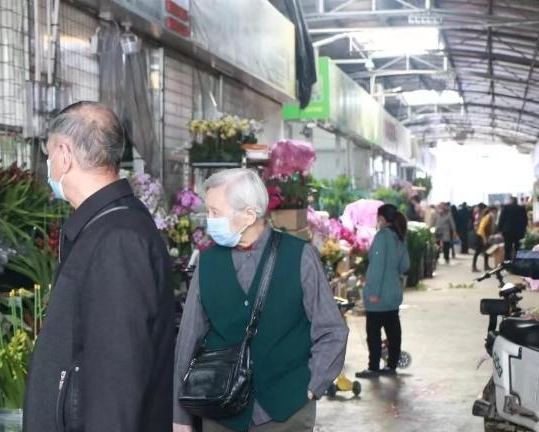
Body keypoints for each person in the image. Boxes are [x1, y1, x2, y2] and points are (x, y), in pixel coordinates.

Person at [24, 102, 175, 431]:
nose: (49, 165)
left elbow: (117, 376)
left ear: (64, 154)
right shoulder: (106, 225)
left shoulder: (118, 239)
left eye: (48, 154)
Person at [173, 169, 348, 432]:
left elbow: (332, 330)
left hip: (286, 414)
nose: (209, 220)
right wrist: (180, 417)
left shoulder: (299, 256)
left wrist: (312, 386)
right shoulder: (207, 263)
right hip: (220, 413)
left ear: (249, 215)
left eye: (215, 212)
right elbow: (188, 340)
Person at [356, 204, 410, 379]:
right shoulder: (399, 237)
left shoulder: (382, 237)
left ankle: (373, 367)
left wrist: (373, 292)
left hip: (379, 297)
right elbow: (405, 266)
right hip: (393, 293)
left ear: (382, 219)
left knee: (373, 333)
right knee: (393, 330)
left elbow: (377, 268)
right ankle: (391, 365)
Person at [498, 196, 529, 261]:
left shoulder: (506, 207)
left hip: (507, 231)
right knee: (518, 247)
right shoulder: (521, 208)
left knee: (508, 248)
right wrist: (524, 229)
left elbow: (501, 219)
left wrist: (500, 230)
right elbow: (525, 220)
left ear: (511, 201)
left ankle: (507, 262)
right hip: (519, 232)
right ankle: (518, 262)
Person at [473, 206, 498, 272]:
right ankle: (474, 267)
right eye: (495, 211)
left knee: (487, 251)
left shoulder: (490, 218)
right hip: (481, 236)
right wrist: (484, 239)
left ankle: (486, 266)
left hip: (485, 236)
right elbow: (481, 229)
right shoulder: (487, 217)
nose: (495, 213)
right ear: (491, 211)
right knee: (477, 251)